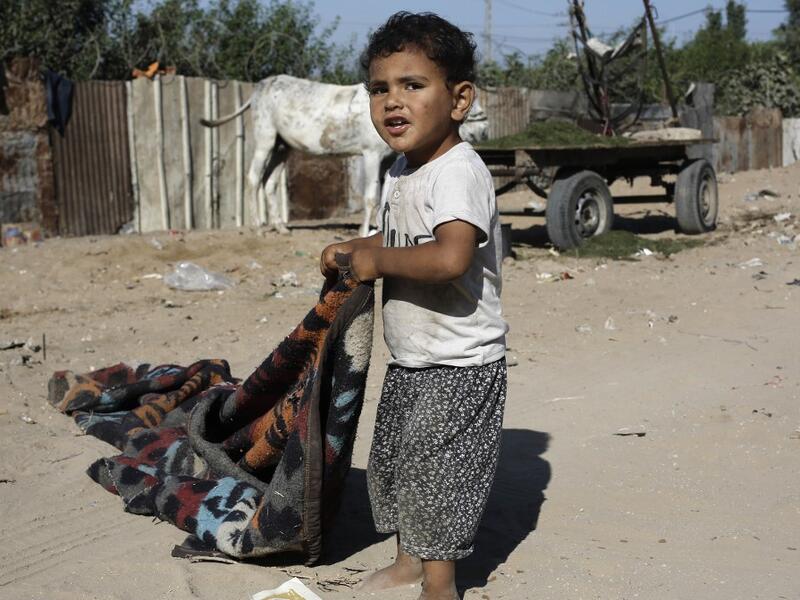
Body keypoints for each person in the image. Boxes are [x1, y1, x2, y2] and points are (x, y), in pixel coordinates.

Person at [320, 12, 508, 600]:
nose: (392, 101)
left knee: (437, 472)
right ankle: (407, 564)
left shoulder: (459, 172)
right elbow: (402, 239)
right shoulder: (403, 171)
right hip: (412, 358)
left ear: (459, 100)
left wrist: (375, 262)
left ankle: (440, 585)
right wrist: (357, 248)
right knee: (398, 463)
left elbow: (449, 256)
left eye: (413, 85)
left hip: (460, 362)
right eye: (380, 89)